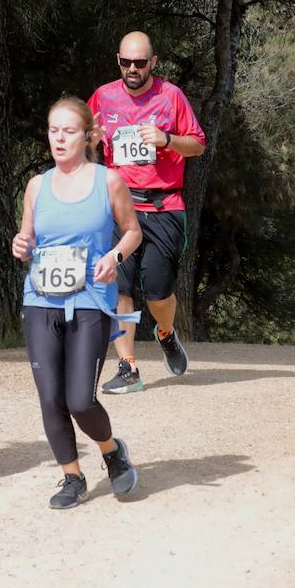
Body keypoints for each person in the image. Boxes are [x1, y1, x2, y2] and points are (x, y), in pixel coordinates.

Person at [12, 97, 143, 508]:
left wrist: (113, 257)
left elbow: (133, 232)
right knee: (50, 397)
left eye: (69, 131)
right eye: (53, 131)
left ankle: (111, 452)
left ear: (87, 136)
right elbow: (28, 239)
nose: (60, 139)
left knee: (79, 400)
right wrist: (21, 245)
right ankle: (72, 477)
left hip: (90, 301)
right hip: (41, 301)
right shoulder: (37, 185)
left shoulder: (108, 182)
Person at [88, 31, 206, 393]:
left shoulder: (171, 97)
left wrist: (166, 139)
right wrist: (90, 143)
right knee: (117, 286)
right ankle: (128, 368)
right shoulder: (102, 97)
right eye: (127, 62)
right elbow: (86, 146)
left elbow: (198, 145)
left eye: (141, 62)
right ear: (118, 61)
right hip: (118, 205)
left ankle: (166, 332)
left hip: (163, 205)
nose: (133, 69)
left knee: (157, 291)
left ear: (153, 62)